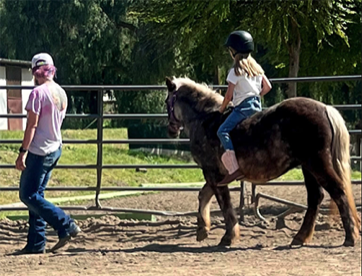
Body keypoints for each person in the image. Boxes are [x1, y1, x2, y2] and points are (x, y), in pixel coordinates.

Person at [13, 53, 81, 255]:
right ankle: (36, 243)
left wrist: (22, 152)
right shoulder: (61, 93)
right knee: (38, 195)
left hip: (39, 151)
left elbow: (32, 125)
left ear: (35, 71)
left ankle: (65, 224)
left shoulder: (37, 93)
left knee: (28, 195)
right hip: (55, 148)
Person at [217, 31, 272, 185]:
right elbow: (268, 87)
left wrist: (220, 110)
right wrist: (256, 97)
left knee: (222, 131)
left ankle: (234, 169)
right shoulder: (256, 68)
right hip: (257, 107)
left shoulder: (235, 71)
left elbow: (228, 97)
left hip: (242, 109)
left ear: (233, 51)